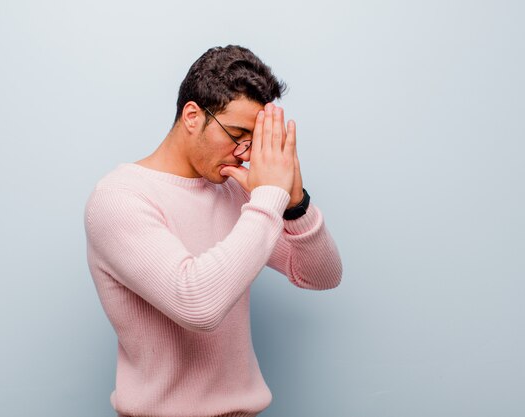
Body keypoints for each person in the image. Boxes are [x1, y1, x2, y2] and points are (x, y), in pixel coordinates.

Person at [84, 45, 343, 417]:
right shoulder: (119, 199)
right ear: (192, 116)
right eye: (236, 133)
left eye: (254, 140)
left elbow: (323, 275)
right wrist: (269, 195)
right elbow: (197, 305)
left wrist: (295, 203)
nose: (244, 153)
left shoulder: (238, 193)